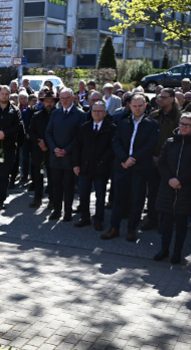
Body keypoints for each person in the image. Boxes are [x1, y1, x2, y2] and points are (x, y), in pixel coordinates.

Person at [101, 94, 160, 241]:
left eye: (140, 106)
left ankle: (131, 229)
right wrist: (124, 158)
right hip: (122, 167)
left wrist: (133, 159)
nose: (137, 108)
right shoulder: (123, 123)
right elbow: (116, 142)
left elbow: (150, 146)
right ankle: (114, 227)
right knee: (118, 199)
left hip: (140, 168)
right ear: (130, 106)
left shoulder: (152, 124)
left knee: (137, 200)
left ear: (145, 106)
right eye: (135, 106)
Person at [152, 112, 191, 264]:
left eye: (187, 125)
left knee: (181, 225)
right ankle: (164, 249)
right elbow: (161, 163)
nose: (183, 127)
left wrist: (180, 180)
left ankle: (177, 252)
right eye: (181, 124)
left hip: (186, 190)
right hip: (168, 189)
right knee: (166, 223)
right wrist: (170, 179)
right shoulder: (170, 142)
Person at [73, 100, 116, 231]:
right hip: (85, 166)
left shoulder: (111, 128)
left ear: (105, 113)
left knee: (100, 195)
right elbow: (77, 147)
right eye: (95, 111)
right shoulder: (84, 127)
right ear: (91, 112)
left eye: (100, 111)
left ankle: (98, 219)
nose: (97, 113)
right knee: (84, 193)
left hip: (101, 167)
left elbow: (112, 148)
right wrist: (76, 164)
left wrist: (103, 160)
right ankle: (85, 217)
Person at [144, 88, 182, 232]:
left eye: (164, 97)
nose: (161, 100)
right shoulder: (154, 115)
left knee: (168, 194)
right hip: (153, 161)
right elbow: (146, 137)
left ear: (172, 99)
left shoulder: (179, 117)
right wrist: (151, 156)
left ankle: (165, 223)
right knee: (152, 192)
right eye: (160, 97)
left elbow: (180, 141)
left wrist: (164, 159)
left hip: (170, 163)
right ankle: (152, 219)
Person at [46, 88, 85, 221]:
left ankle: (68, 212)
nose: (64, 101)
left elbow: (79, 137)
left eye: (67, 98)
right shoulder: (55, 113)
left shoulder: (80, 114)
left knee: (69, 186)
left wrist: (66, 150)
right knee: (56, 185)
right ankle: (57, 210)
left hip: (70, 157)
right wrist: (54, 148)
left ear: (72, 98)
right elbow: (48, 132)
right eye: (62, 98)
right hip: (55, 156)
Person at [28, 93, 57, 207]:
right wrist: (39, 142)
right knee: (37, 175)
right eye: (46, 101)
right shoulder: (37, 115)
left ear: (54, 102)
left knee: (52, 175)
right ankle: (37, 198)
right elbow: (31, 131)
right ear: (43, 102)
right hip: (38, 149)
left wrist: (48, 144)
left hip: (52, 150)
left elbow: (59, 133)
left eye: (51, 101)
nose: (49, 104)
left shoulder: (58, 115)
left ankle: (52, 199)